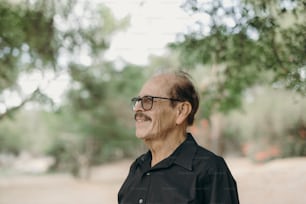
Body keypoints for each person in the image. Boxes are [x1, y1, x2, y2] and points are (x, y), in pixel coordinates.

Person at [118, 70, 239, 204]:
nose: (137, 109)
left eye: (148, 100)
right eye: (137, 101)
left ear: (181, 111)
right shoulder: (137, 167)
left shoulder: (210, 169)